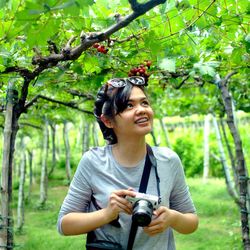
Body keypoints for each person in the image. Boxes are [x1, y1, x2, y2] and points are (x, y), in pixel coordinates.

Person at [57, 76, 199, 250]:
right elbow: (64, 224)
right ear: (108, 121)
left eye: (144, 103)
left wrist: (172, 218)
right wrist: (107, 214)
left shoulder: (168, 161)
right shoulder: (93, 162)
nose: (141, 110)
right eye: (129, 106)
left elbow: (191, 221)